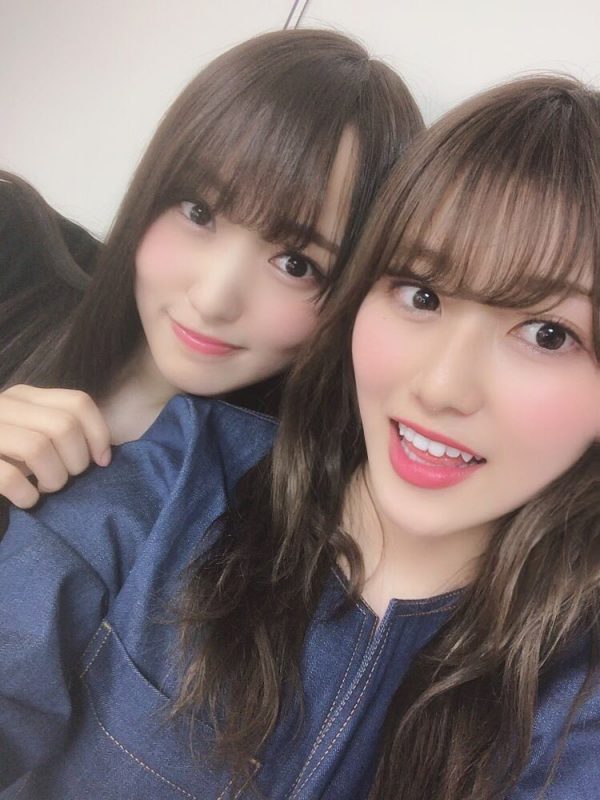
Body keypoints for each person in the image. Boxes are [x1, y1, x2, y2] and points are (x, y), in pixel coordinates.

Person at [4, 75, 598, 799]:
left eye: (547, 334)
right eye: (421, 294)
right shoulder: (176, 481)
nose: (442, 386)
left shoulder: (573, 704)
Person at [0, 27, 423, 510]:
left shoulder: (288, 512)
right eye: (198, 212)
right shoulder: (14, 258)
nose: (213, 298)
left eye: (295, 264)